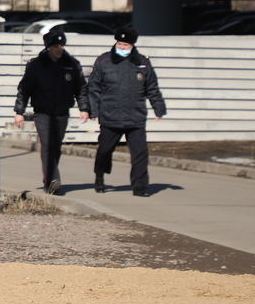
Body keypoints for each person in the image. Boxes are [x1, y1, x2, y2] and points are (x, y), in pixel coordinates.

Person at [84, 26, 166, 197]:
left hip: (135, 117)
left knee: (140, 153)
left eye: (125, 45)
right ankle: (99, 177)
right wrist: (93, 110)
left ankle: (140, 187)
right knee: (104, 151)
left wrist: (158, 107)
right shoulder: (103, 61)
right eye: (120, 43)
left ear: (133, 45)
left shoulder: (142, 62)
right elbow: (93, 87)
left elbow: (152, 87)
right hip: (110, 116)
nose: (122, 47)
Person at [13, 28, 87, 195]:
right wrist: (19, 111)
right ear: (48, 47)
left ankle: (49, 180)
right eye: (55, 46)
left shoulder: (72, 64)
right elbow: (24, 89)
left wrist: (84, 108)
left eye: (61, 45)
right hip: (42, 112)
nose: (58, 49)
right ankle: (54, 179)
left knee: (56, 146)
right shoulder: (36, 65)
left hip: (62, 111)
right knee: (47, 144)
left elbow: (81, 88)